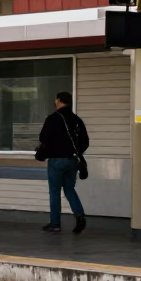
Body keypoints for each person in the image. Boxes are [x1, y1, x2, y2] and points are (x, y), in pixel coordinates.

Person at [38, 91, 89, 234]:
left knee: (54, 192)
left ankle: (55, 224)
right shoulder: (76, 120)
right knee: (69, 189)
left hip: (56, 161)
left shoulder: (52, 119)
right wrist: (75, 152)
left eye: (56, 100)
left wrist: (50, 150)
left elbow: (43, 138)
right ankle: (80, 216)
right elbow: (85, 141)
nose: (55, 102)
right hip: (72, 160)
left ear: (59, 101)